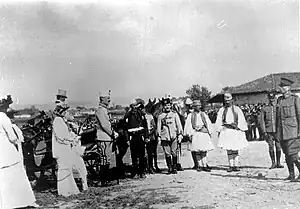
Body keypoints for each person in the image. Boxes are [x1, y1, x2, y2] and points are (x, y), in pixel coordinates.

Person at [0, 97, 39, 208]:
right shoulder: (4, 118)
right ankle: (23, 201)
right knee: (18, 174)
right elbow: (12, 138)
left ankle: (6, 203)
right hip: (8, 150)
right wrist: (19, 140)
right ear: (5, 107)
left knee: (3, 177)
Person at [52, 103, 80, 197]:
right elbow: (61, 137)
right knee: (63, 169)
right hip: (61, 149)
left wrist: (73, 137)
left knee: (67, 168)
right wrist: (71, 139)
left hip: (65, 148)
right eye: (65, 111)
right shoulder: (57, 121)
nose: (67, 112)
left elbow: (66, 134)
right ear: (62, 111)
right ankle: (63, 191)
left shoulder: (62, 121)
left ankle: (69, 189)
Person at [215, 92, 248, 172]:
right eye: (226, 101)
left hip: (235, 131)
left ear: (232, 100)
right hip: (226, 131)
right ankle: (231, 165)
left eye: (229, 100)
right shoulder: (222, 110)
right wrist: (219, 129)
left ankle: (236, 165)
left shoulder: (237, 109)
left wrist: (239, 126)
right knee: (229, 149)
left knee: (235, 148)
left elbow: (241, 119)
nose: (227, 102)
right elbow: (219, 120)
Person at [276, 77, 300, 181]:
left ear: (288, 88)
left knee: (293, 154)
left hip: (293, 131)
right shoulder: (279, 100)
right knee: (286, 154)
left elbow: (299, 115)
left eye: (282, 86)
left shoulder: (295, 99)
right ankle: (291, 174)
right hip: (282, 132)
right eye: (281, 86)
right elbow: (278, 117)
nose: (281, 88)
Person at [95, 91, 119, 185]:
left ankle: (106, 179)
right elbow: (104, 125)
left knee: (107, 159)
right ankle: (104, 180)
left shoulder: (104, 110)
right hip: (103, 137)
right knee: (104, 159)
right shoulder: (100, 110)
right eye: (107, 98)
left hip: (107, 138)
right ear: (102, 99)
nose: (109, 100)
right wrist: (113, 133)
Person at [184, 100, 214, 172]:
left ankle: (204, 165)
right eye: (196, 106)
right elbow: (188, 126)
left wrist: (209, 131)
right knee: (197, 150)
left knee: (203, 150)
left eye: (199, 105)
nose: (198, 107)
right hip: (196, 133)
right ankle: (199, 165)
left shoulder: (203, 114)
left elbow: (208, 123)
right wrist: (190, 134)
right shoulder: (191, 115)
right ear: (194, 107)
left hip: (203, 133)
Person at [157, 97, 183, 174]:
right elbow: (158, 128)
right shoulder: (160, 116)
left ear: (171, 105)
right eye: (165, 105)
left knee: (174, 152)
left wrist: (180, 135)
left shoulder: (174, 114)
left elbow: (179, 125)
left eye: (168, 105)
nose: (167, 107)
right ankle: (170, 167)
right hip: (165, 137)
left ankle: (175, 167)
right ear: (163, 106)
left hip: (173, 136)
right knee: (167, 153)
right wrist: (159, 137)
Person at [124, 98, 149, 178]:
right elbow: (125, 129)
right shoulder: (128, 115)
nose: (135, 107)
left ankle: (142, 172)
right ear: (131, 106)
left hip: (140, 136)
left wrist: (146, 137)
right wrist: (127, 139)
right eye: (133, 105)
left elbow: (145, 127)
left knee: (142, 155)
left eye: (135, 105)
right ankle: (135, 172)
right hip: (132, 137)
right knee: (134, 156)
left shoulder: (141, 114)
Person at [259, 91, 284, 169]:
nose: (272, 101)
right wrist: (264, 131)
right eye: (271, 99)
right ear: (268, 99)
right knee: (270, 147)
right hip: (269, 131)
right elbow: (262, 121)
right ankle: (273, 163)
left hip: (278, 131)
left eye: (273, 99)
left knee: (278, 147)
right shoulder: (265, 108)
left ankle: (278, 162)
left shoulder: (279, 107)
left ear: (275, 98)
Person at [65, 111, 88, 191]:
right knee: (81, 169)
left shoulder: (71, 126)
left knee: (80, 169)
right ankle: (82, 185)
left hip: (74, 150)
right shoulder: (69, 128)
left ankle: (81, 185)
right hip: (74, 151)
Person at [141, 103, 160, 174]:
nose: (142, 110)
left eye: (142, 109)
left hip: (149, 135)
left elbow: (154, 125)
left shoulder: (149, 116)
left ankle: (152, 166)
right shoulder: (139, 117)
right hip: (141, 135)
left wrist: (150, 133)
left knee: (151, 152)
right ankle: (144, 167)